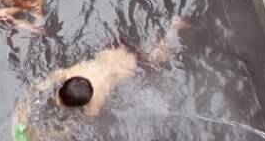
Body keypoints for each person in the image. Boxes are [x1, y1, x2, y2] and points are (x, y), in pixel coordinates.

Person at [13, 17, 187, 128]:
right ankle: (171, 27)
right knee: (150, 54)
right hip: (114, 50)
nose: (57, 100)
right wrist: (25, 106)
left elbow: (78, 123)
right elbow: (40, 85)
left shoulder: (92, 100)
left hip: (128, 63)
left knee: (156, 59)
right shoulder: (66, 74)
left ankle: (174, 28)